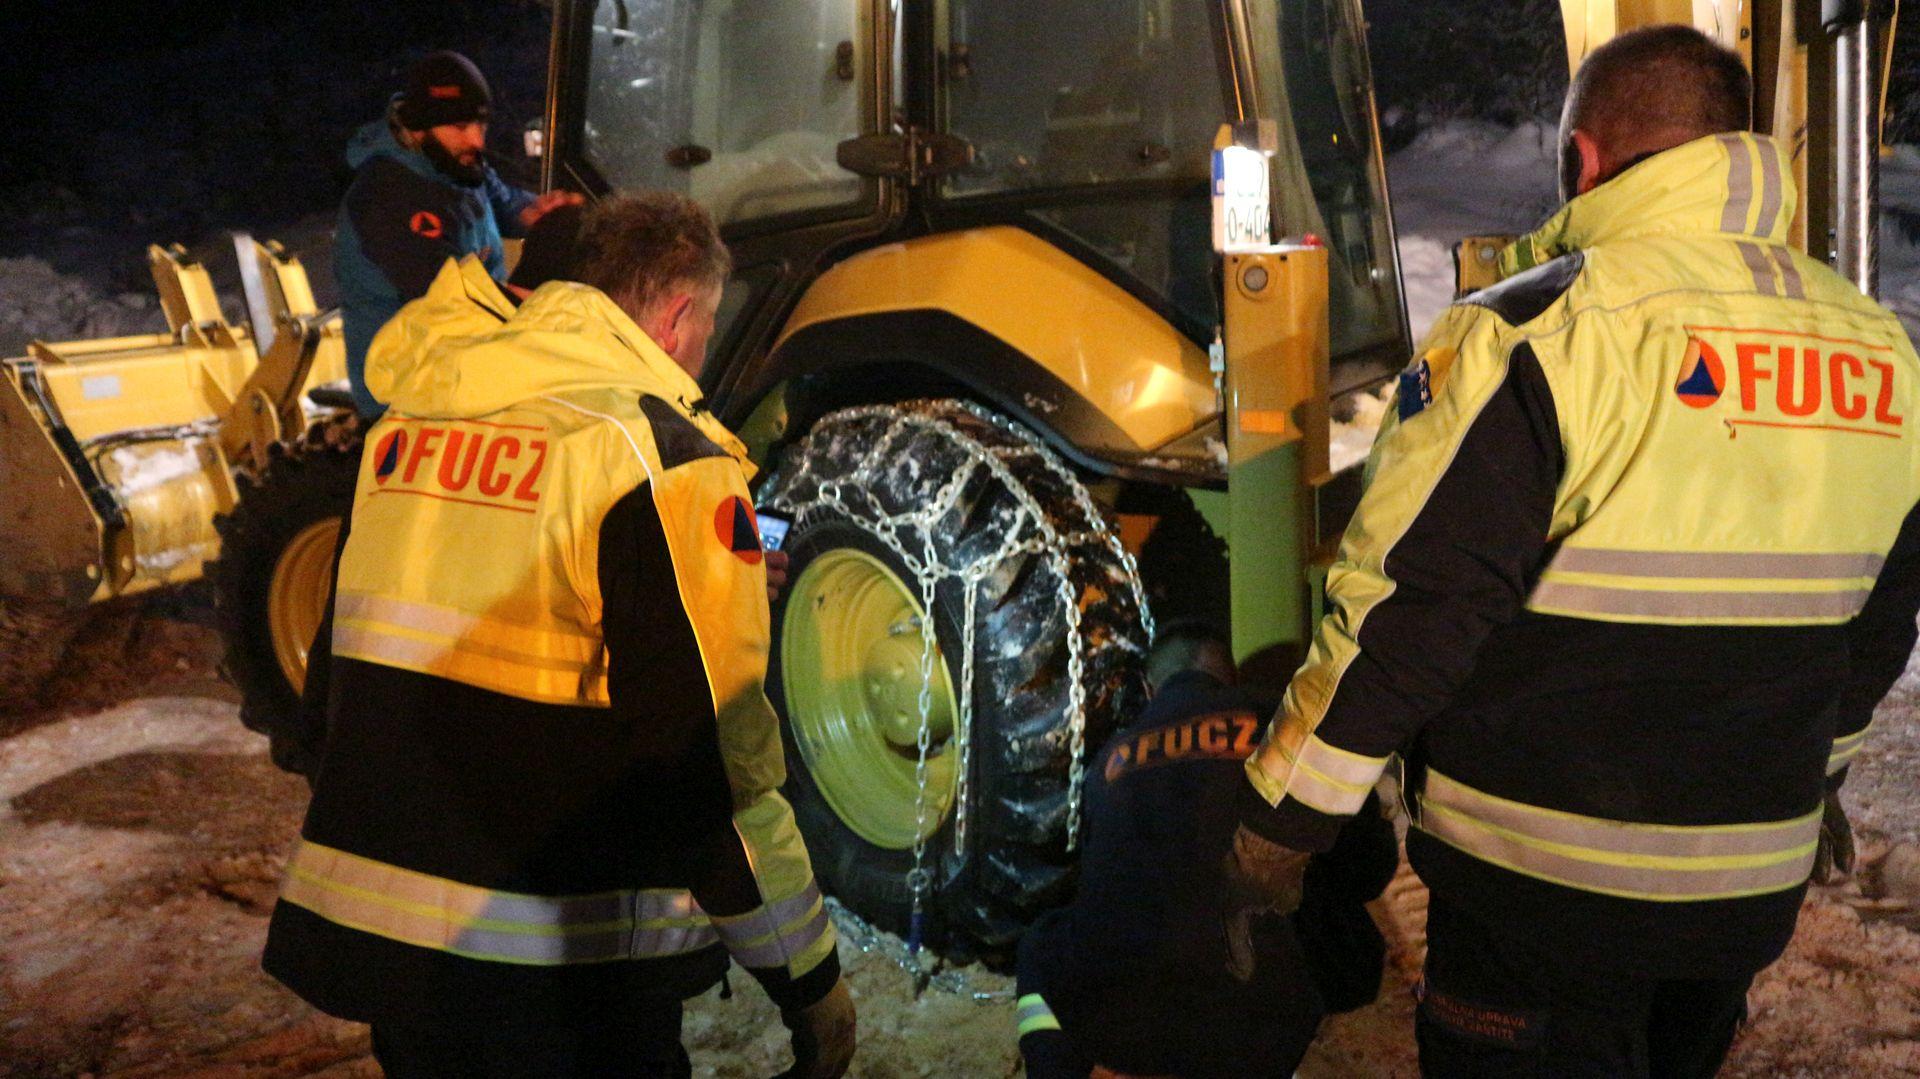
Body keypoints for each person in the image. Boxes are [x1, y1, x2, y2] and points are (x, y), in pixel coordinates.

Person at [1225, 25, 1920, 1077]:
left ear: (1586, 161)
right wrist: (1807, 779)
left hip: (1540, 902)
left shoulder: (1539, 331)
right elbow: (1874, 630)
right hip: (1743, 898)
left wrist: (1283, 817)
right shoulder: (1880, 346)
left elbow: (1412, 612)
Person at [263, 192, 854, 1079]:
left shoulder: (409, 428)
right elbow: (709, 771)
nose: (698, 356)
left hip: (387, 955)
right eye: (706, 328)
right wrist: (806, 977)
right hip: (560, 981)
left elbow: (332, 691)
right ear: (678, 314)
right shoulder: (660, 459)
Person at [1016, 625, 1398, 1079]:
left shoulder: (1109, 759)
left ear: (1148, 688)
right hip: (1262, 1029)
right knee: (1333, 917)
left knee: (1039, 943)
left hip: (1123, 1031)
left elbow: (1099, 875)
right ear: (1230, 680)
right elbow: (1370, 868)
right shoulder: (1280, 723)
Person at [335, 49, 581, 419]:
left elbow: (503, 199)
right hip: (407, 392)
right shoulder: (387, 195)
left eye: (480, 127)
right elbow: (448, 297)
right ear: (418, 128)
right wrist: (529, 302)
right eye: (461, 128)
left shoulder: (455, 165)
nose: (477, 142)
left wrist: (535, 211)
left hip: (469, 360)